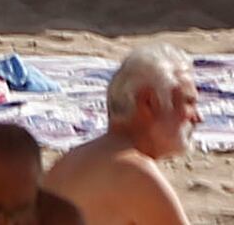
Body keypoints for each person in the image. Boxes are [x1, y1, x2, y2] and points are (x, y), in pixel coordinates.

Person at [44, 48, 196, 225]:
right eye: (189, 102)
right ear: (150, 102)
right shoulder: (135, 174)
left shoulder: (69, 162)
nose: (197, 117)